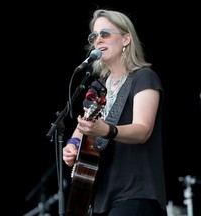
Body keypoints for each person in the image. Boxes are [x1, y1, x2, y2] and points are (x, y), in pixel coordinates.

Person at [63, 8, 167, 216]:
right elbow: (81, 126)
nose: (98, 40)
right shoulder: (97, 86)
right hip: (101, 194)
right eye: (94, 36)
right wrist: (73, 145)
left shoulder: (143, 77)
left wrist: (107, 130)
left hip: (137, 192)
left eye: (105, 34)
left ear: (126, 39)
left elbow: (142, 130)